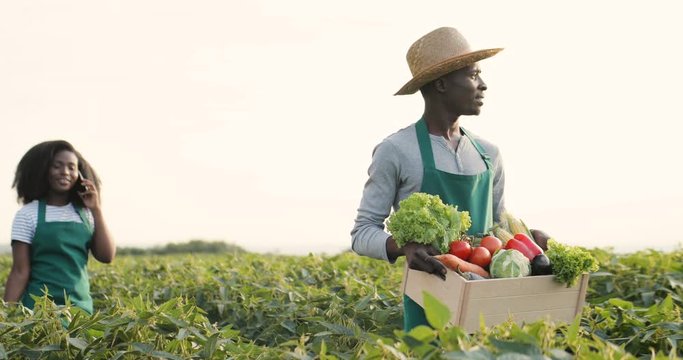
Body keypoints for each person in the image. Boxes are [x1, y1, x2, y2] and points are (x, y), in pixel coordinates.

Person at [350, 27, 550, 331]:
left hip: (488, 307)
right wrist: (402, 246)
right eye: (473, 75)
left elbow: (498, 227)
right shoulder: (396, 150)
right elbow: (362, 233)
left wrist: (530, 242)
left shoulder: (489, 153)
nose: (483, 85)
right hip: (428, 304)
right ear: (441, 84)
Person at [3, 140, 115, 314]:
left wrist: (96, 209)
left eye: (72, 167)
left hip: (79, 312)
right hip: (38, 313)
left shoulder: (87, 214)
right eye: (57, 166)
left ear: (79, 174)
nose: (65, 172)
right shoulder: (28, 214)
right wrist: (5, 316)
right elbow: (20, 271)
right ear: (44, 170)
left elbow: (106, 256)